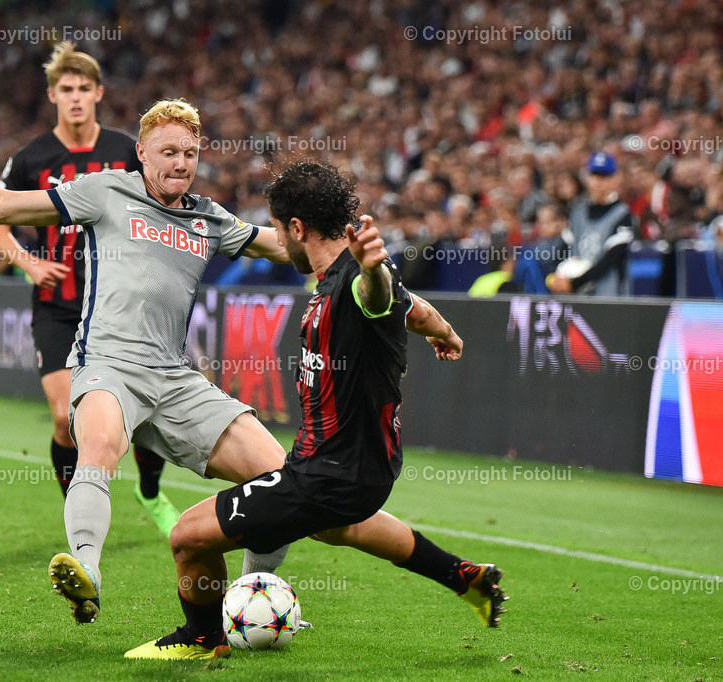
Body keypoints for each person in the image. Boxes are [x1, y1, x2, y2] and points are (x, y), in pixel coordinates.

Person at [0, 98, 299, 627]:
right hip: (108, 364)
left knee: (280, 477)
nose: (181, 162)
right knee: (97, 446)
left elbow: (285, 246)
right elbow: (2, 207)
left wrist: (343, 242)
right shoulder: (107, 190)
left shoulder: (209, 217)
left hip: (176, 377)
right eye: (168, 152)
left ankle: (254, 600)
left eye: (189, 152)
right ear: (141, 153)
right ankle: (86, 574)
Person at [124, 161, 506, 661]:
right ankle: (463, 577)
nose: (279, 243)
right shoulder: (341, 277)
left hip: (329, 474)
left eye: (281, 231)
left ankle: (201, 639)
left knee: (188, 537)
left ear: (298, 228)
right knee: (339, 526)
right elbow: (416, 309)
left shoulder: (356, 283)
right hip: (354, 470)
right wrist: (444, 332)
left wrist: (373, 271)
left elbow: (376, 296)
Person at [0, 42, 180, 535]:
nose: (76, 97)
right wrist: (29, 264)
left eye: (85, 88)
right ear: (52, 94)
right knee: (65, 421)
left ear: (99, 93)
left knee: (141, 420)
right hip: (58, 307)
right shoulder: (30, 158)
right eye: (67, 89)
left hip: (119, 305)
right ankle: (77, 515)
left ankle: (148, 490)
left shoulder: (126, 151)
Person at [548, 152, 637, 296]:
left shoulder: (623, 215)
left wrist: (574, 283)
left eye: (604, 177)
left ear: (615, 179)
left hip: (606, 295)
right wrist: (558, 276)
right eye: (594, 176)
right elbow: (564, 248)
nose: (598, 182)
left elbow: (611, 259)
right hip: (574, 295)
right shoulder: (577, 211)